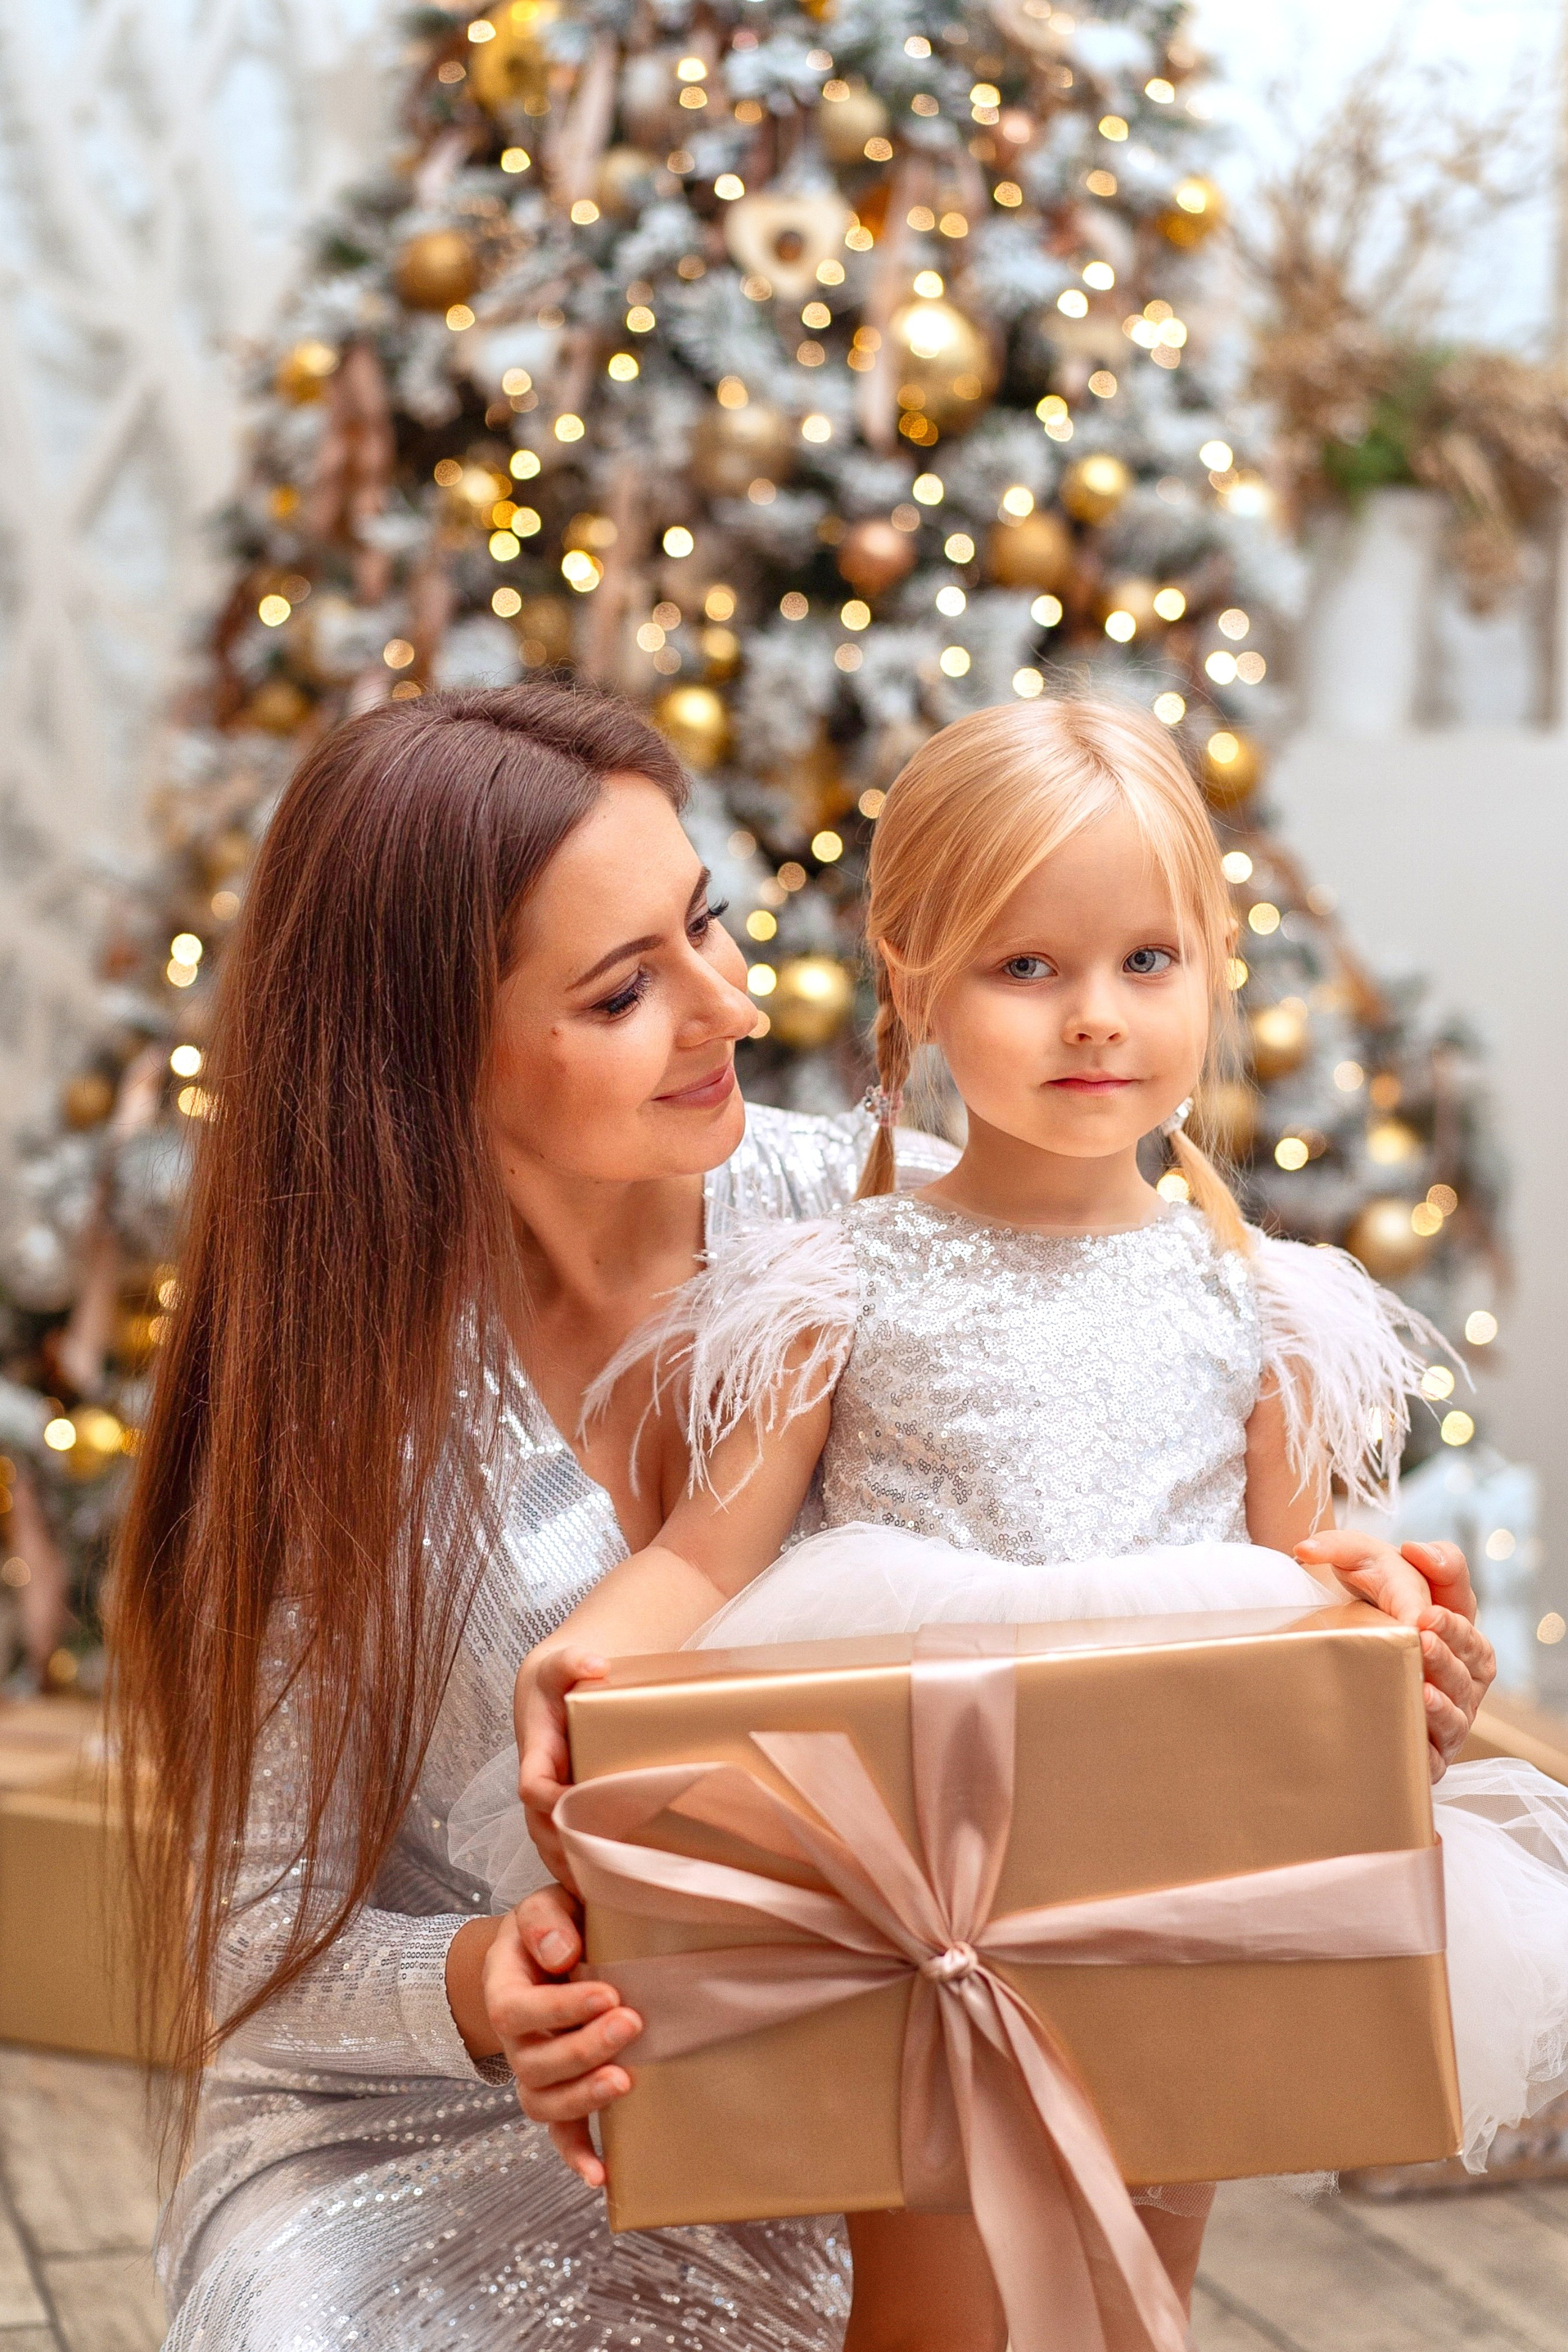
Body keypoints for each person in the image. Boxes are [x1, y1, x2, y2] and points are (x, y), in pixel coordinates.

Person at [111, 681, 1490, 2352]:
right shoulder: (336, 1418)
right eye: (627, 990)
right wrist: (484, 1985)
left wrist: (1373, 1649)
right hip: (452, 2116)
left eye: (709, 924)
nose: (734, 1008)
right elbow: (252, 1944)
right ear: (428, 1048)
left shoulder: (875, 1206)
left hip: (828, 2049)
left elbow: (1218, 1513)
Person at [503, 699, 1556, 2352]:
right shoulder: (841, 1282)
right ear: (914, 981)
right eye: (1027, 968)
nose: (1095, 1020)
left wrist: (1399, 1640)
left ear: (1217, 967)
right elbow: (709, 1554)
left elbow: (1315, 1584)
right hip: (938, 1868)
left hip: (1190, 1849)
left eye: (1149, 962)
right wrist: (590, 1647)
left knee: (1149, 2274)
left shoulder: (1268, 1307)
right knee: (938, 2283)